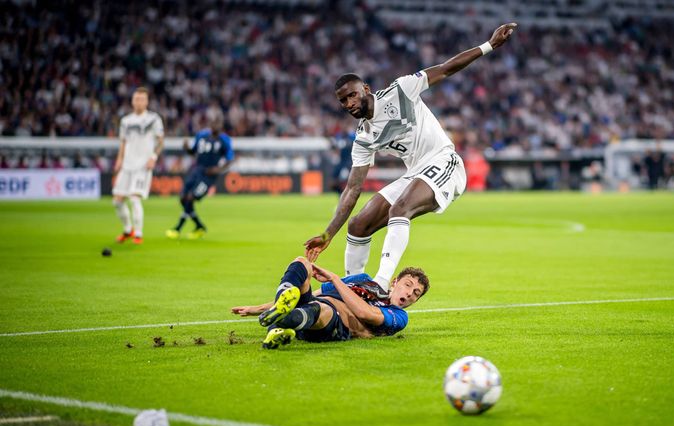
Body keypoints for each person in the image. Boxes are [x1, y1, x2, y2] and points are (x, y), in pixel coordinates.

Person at [304, 23, 518, 292]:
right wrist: (327, 234)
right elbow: (352, 190)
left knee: (399, 208)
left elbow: (446, 68)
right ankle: (352, 291)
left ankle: (380, 285)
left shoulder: (401, 90)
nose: (349, 104)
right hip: (415, 173)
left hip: (445, 163)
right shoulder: (363, 137)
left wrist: (489, 46)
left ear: (366, 89)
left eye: (352, 95)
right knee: (359, 225)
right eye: (343, 101)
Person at [231, 256, 429, 349]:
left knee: (322, 308)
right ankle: (280, 323)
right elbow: (313, 292)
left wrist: (335, 279)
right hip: (310, 309)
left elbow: (364, 314)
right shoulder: (363, 280)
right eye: (407, 285)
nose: (409, 293)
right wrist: (257, 309)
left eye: (415, 293)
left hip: (333, 325)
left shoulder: (399, 316)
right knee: (302, 263)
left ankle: (281, 322)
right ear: (395, 282)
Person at [165, 115, 234, 240]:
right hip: (197, 171)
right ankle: (199, 226)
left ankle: (177, 228)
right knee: (182, 198)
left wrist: (218, 169)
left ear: (221, 126)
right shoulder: (201, 136)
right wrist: (187, 148)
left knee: (191, 198)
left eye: (218, 123)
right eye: (213, 122)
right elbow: (193, 151)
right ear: (210, 124)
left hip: (209, 176)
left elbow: (230, 160)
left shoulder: (224, 140)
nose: (215, 126)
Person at [112, 87, 164, 244]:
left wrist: (153, 157)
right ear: (132, 101)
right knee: (117, 201)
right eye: (136, 99)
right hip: (127, 165)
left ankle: (138, 234)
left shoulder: (154, 119)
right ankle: (128, 230)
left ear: (147, 101)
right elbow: (123, 142)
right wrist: (119, 159)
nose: (139, 102)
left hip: (142, 165)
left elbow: (160, 141)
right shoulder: (126, 121)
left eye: (142, 99)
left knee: (134, 198)